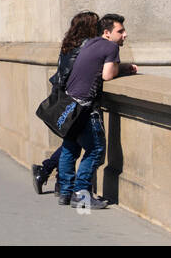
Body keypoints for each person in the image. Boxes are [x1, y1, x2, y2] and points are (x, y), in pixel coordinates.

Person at [57, 13, 139, 209]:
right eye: (120, 31)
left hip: (70, 103)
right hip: (86, 106)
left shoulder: (90, 43)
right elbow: (108, 75)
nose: (125, 35)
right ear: (107, 33)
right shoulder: (110, 47)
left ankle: (65, 192)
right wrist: (126, 68)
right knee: (95, 150)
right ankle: (81, 195)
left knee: (70, 147)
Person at [33, 11, 100, 197]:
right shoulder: (86, 47)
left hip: (63, 95)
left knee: (71, 140)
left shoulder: (69, 44)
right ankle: (52, 175)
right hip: (75, 99)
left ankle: (55, 179)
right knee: (77, 142)